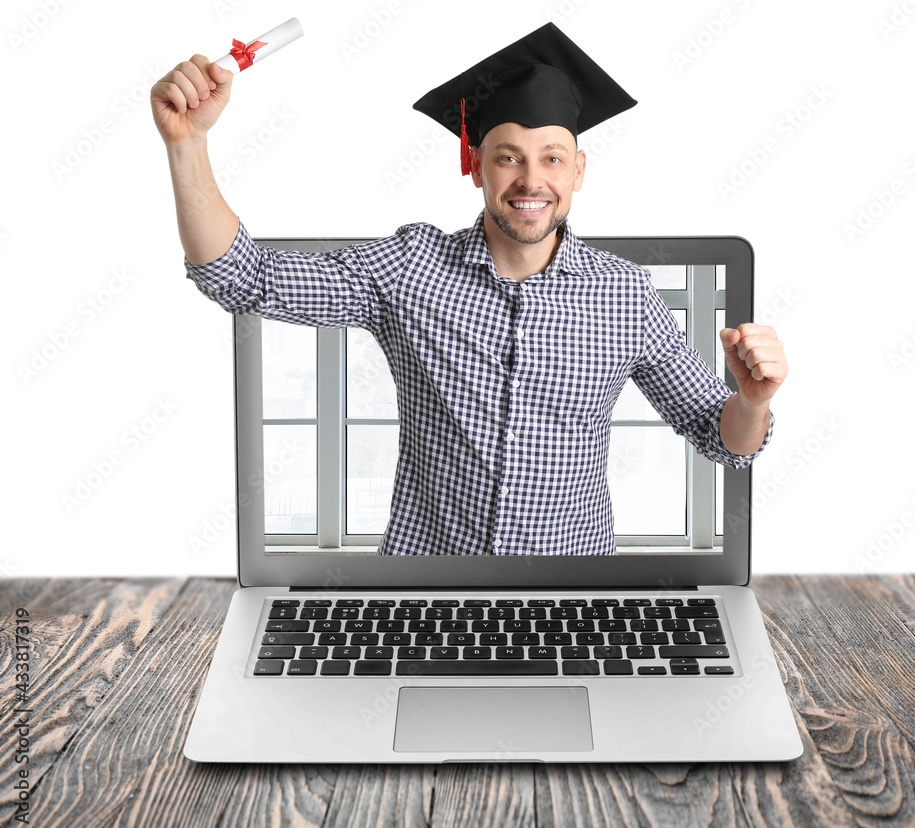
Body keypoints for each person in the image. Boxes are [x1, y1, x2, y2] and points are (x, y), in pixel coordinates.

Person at [151, 23, 787, 556]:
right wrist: (189, 145)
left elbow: (719, 435)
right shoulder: (409, 268)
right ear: (474, 162)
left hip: (572, 596)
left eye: (552, 158)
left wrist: (752, 399)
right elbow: (241, 277)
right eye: (509, 155)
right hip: (421, 591)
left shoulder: (625, 295)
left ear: (579, 170)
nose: (531, 180)